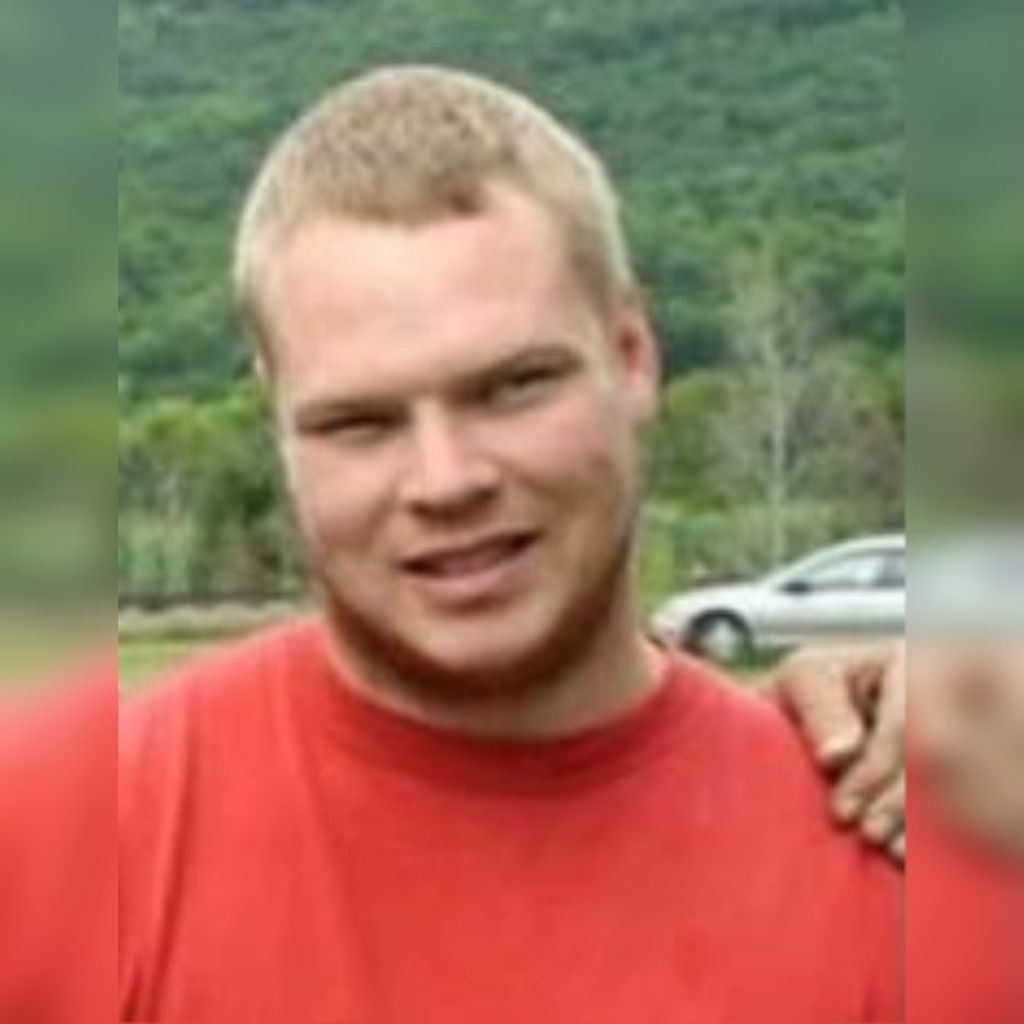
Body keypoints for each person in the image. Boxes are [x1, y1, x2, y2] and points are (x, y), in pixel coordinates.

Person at [119, 66, 903, 1022]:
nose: (446, 480)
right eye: (360, 423)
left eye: (513, 387)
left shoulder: (889, 849)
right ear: (278, 424)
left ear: (633, 356)